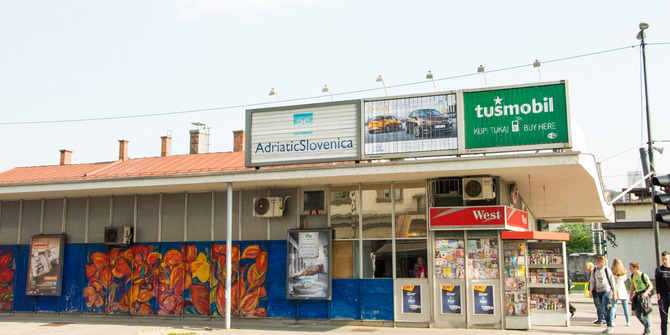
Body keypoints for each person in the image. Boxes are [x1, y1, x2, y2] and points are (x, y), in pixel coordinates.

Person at [589, 256, 616, 334]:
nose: (602, 264)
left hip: (606, 290)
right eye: (601, 262)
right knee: (601, 308)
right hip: (598, 290)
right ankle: (608, 323)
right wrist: (590, 291)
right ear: (598, 262)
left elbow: (612, 280)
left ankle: (609, 325)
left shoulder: (607, 270)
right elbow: (592, 281)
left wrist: (614, 292)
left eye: (603, 262)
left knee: (604, 308)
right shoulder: (594, 270)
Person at [630, 261, 654, 335]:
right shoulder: (633, 276)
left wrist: (646, 293)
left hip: (644, 296)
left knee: (645, 313)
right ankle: (648, 325)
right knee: (637, 313)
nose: (629, 269)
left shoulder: (643, 275)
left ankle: (647, 331)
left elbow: (651, 286)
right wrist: (630, 295)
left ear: (635, 268)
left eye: (631, 268)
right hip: (637, 296)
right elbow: (633, 286)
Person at [609, 258, 631, 327]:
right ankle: (628, 321)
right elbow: (625, 279)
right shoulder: (624, 271)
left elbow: (610, 281)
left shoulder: (612, 271)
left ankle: (612, 321)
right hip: (622, 289)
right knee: (625, 306)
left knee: (613, 306)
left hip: (614, 289)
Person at [656, 251, 670, 335]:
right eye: (663, 259)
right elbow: (657, 283)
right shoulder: (659, 270)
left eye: (666, 259)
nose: (664, 261)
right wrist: (658, 294)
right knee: (664, 319)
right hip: (663, 296)